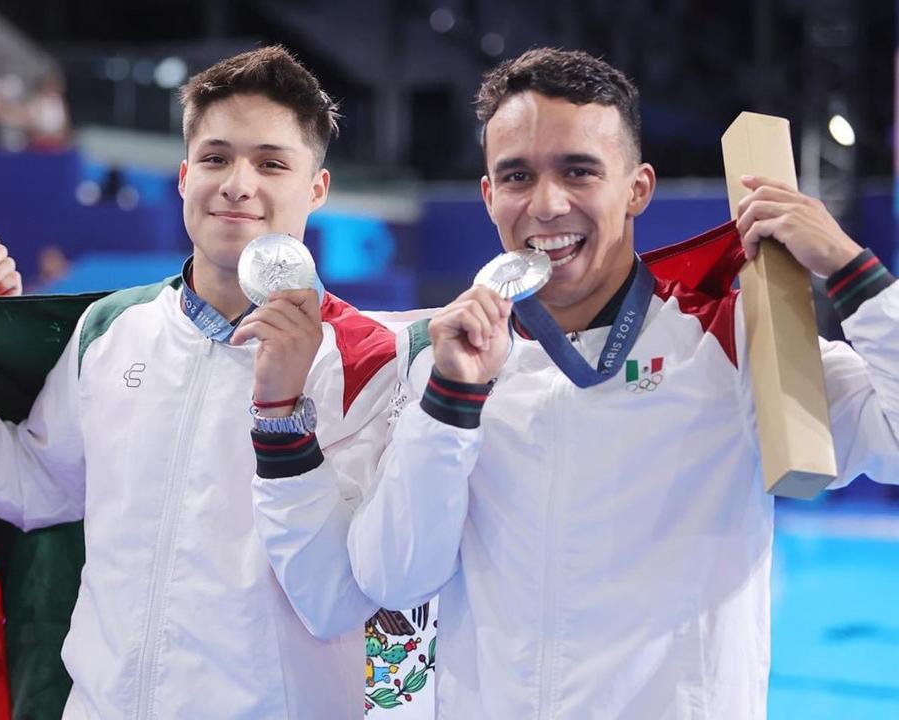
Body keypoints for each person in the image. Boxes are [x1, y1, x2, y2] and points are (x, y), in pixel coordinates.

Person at [337, 48, 899, 718]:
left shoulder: (729, 337)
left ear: (637, 187)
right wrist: (450, 404)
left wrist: (853, 273)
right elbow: (393, 578)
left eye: (578, 170)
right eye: (517, 176)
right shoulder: (448, 361)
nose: (546, 204)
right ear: (489, 196)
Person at [0, 46, 395, 719]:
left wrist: (283, 418)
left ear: (317, 188)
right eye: (217, 158)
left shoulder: (370, 360)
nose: (237, 184)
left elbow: (344, 594)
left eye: (272, 162)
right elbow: (38, 485)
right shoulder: (112, 330)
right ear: (184, 174)